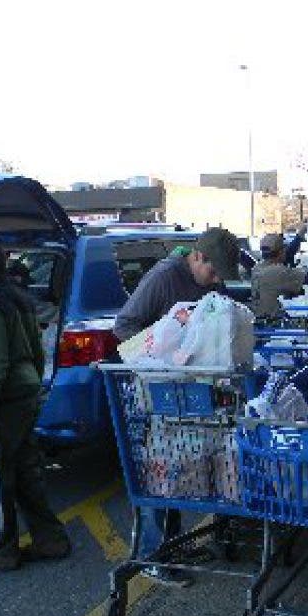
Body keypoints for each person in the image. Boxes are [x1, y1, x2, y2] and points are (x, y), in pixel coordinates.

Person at [112, 228, 240, 586]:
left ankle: (173, 542)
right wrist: (163, 351)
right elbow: (124, 325)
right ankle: (153, 553)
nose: (216, 282)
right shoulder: (165, 277)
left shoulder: (213, 284)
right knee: (159, 469)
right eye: (213, 273)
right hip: (161, 388)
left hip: (197, 389)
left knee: (184, 463)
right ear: (197, 257)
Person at [0, 241, 70, 571]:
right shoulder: (18, 298)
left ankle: (1, 549)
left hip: (1, 402)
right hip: (23, 394)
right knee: (25, 472)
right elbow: (37, 353)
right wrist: (33, 387)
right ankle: (51, 539)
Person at [251, 225, 308, 317]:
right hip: (276, 320)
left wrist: (299, 235)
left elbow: (287, 254)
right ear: (280, 252)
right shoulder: (279, 272)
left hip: (260, 317)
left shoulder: (258, 268)